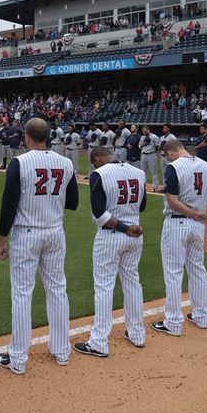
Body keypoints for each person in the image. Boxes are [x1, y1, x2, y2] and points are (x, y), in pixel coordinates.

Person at [0, 118, 79, 375]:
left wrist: (2, 238)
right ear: (49, 137)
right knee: (57, 289)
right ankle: (62, 350)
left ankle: (19, 359)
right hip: (55, 231)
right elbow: (73, 202)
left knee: (22, 293)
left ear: (27, 138)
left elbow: (8, 206)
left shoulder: (19, 162)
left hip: (27, 233)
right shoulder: (66, 162)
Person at [74, 147, 146, 357]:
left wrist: (123, 227)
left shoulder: (100, 173)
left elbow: (99, 214)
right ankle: (137, 334)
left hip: (111, 235)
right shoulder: (138, 172)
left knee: (104, 286)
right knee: (132, 282)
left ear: (97, 159)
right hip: (136, 234)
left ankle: (98, 342)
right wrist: (129, 227)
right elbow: (141, 207)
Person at [153, 140, 207, 334]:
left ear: (170, 151)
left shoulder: (173, 166)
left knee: (173, 272)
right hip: (198, 225)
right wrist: (196, 213)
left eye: (166, 154)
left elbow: (172, 201)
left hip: (178, 223)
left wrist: (192, 213)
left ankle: (173, 323)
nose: (167, 158)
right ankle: (202, 316)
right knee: (198, 269)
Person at [139, 125, 161, 191]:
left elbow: (158, 146)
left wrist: (154, 152)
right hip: (143, 155)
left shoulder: (154, 137)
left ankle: (155, 187)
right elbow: (139, 146)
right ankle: (143, 186)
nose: (144, 132)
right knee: (143, 172)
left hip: (151, 155)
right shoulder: (142, 137)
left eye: (145, 131)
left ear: (148, 130)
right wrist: (143, 144)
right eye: (143, 131)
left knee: (153, 172)